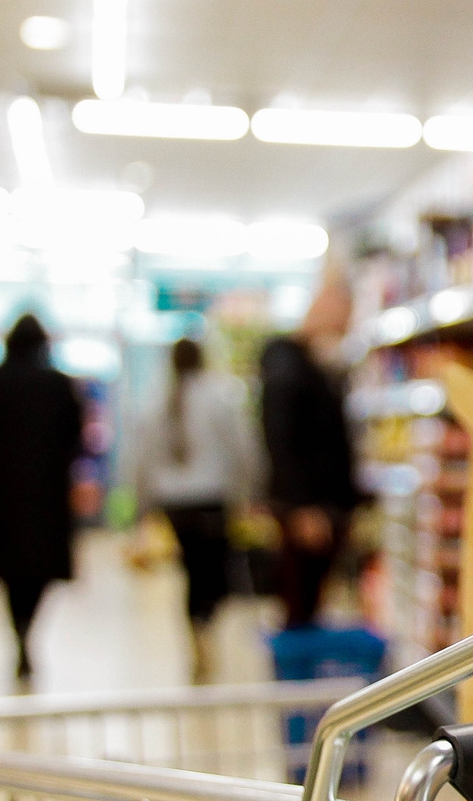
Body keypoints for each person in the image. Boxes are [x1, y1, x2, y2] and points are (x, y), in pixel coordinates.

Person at [0, 313, 86, 683]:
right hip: (47, 495)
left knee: (9, 574)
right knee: (39, 572)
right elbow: (77, 437)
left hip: (1, 494)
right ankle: (28, 632)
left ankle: (20, 634)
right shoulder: (59, 384)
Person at [136, 337, 261, 682]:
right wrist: (249, 492)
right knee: (215, 573)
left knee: (192, 571)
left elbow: (142, 458)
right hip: (211, 499)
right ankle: (205, 625)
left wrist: (142, 506)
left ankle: (197, 629)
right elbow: (243, 449)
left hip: (173, 504)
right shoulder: (220, 397)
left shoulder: (155, 400)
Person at [258, 278, 362, 628]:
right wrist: (302, 507)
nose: (347, 324)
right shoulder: (287, 369)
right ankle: (297, 676)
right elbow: (283, 440)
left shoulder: (309, 364)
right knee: (299, 599)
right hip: (307, 510)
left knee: (309, 600)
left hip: (320, 506)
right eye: (344, 314)